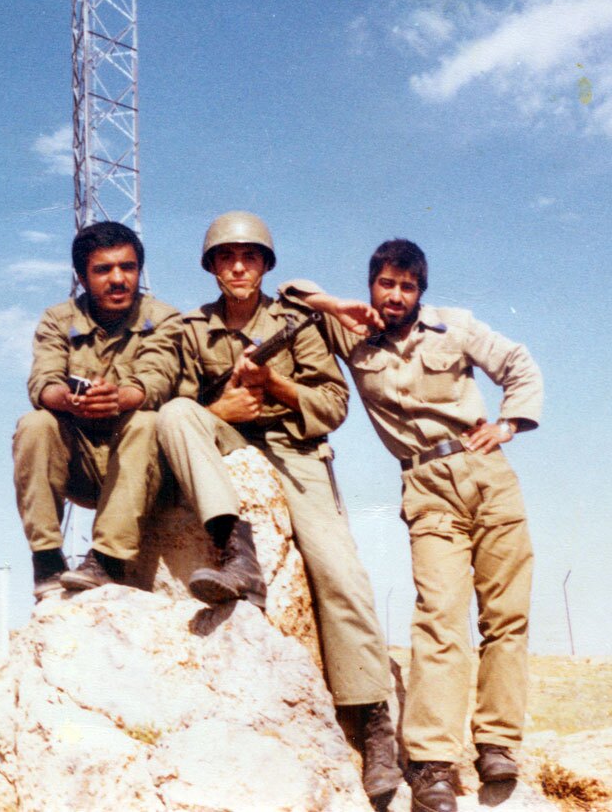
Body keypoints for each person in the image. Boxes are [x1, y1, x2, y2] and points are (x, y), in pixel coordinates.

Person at [281, 239, 543, 812]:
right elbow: (290, 293)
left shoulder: (455, 326)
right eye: (386, 284)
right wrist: (335, 305)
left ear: (421, 292)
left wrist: (509, 423)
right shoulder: (351, 332)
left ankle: (497, 744)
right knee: (439, 618)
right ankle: (433, 765)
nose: (395, 295)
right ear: (371, 285)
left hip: (487, 473)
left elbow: (518, 364)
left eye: (407, 286)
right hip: (426, 486)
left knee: (506, 617)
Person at [155, 211, 402, 801]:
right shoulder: (191, 329)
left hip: (296, 450)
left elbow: (334, 402)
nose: (239, 267)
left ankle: (371, 720)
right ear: (212, 266)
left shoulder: (297, 323)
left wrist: (275, 386)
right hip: (228, 439)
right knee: (175, 415)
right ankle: (237, 553)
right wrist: (221, 409)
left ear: (265, 265)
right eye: (226, 257)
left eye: (250, 257)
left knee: (339, 571)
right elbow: (177, 406)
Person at [13, 221, 182, 599]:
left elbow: (157, 378)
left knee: (146, 421)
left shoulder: (164, 318)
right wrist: (69, 400)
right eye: (103, 270)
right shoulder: (58, 319)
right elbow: (42, 382)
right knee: (35, 424)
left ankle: (107, 560)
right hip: (81, 464)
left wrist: (120, 398)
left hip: (141, 466)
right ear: (82, 277)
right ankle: (47, 560)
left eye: (128, 267)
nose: (118, 279)